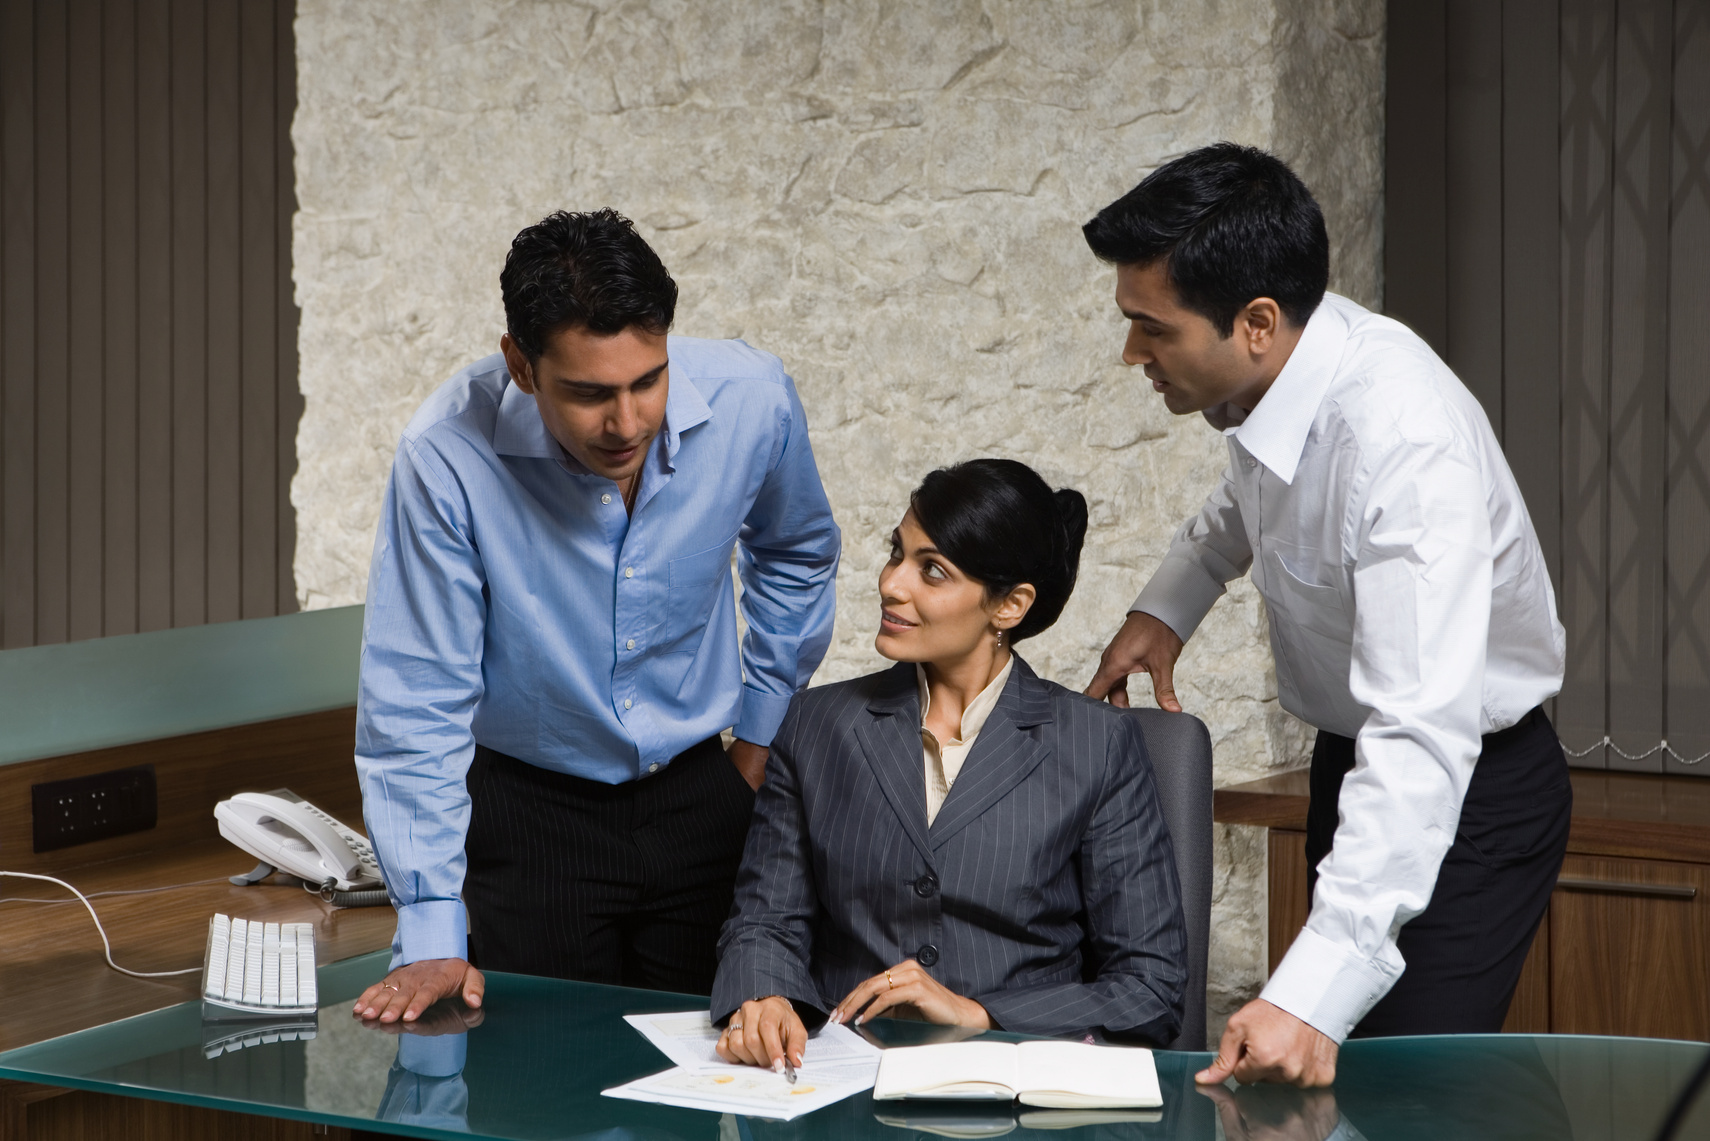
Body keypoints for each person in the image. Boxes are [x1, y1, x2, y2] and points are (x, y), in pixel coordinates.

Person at [1081, 144, 1570, 1085]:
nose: (1131, 353)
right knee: (1331, 1086)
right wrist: (1169, 607)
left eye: (1152, 329)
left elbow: (1422, 735)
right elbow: (1247, 500)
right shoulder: (1288, 359)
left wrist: (1307, 996)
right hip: (1352, 765)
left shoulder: (1404, 447)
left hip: (1462, 789)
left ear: (1255, 322)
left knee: (1412, 1092)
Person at [350, 209, 842, 1024]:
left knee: (708, 1086)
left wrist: (757, 735)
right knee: (545, 1094)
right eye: (588, 394)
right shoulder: (446, 455)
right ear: (520, 365)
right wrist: (432, 918)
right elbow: (417, 695)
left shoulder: (753, 399)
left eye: (647, 379)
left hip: (702, 796)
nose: (627, 422)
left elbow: (797, 551)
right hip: (529, 818)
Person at [712, 458, 1187, 1071]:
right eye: (896, 553)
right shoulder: (817, 724)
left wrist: (981, 1016)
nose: (891, 584)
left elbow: (1149, 987)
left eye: (931, 570)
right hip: (840, 1079)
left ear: (1009, 606)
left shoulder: (1098, 743)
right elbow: (764, 920)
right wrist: (766, 994)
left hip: (1014, 1087)